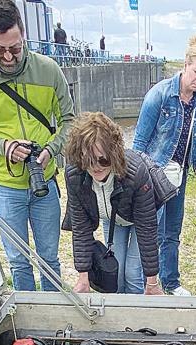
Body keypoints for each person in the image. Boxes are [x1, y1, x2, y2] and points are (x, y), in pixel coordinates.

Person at [0, 1, 74, 292]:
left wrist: (50, 150)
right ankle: (27, 327)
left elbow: (69, 121)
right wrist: (3, 146)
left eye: (16, 47)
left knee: (49, 259)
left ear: (23, 34)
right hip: (5, 187)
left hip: (44, 180)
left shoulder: (48, 70)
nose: (9, 56)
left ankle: (54, 321)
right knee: (18, 261)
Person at [133, 34, 196, 296]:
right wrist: (137, 177)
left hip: (180, 175)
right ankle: (147, 281)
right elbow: (140, 141)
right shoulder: (159, 95)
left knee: (172, 232)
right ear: (185, 65)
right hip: (154, 174)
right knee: (151, 231)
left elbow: (193, 135)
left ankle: (171, 281)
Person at [64, 112, 167, 295]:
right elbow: (81, 228)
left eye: (103, 159)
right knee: (115, 272)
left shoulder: (135, 174)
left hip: (142, 213)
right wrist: (83, 277)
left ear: (114, 153)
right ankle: (118, 317)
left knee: (133, 272)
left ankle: (135, 318)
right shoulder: (75, 175)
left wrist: (152, 283)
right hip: (112, 216)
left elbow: (146, 229)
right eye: (89, 160)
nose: (96, 166)